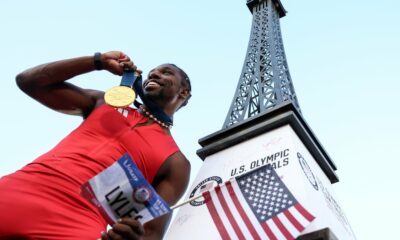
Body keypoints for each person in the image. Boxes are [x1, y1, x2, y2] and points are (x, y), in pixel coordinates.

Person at [0, 51, 192, 240]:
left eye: (166, 72)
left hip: (77, 225)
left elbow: (151, 233)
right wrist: (98, 61)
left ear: (183, 92)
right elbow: (29, 82)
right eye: (152, 72)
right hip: (17, 194)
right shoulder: (104, 103)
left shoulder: (176, 163)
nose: (155, 74)